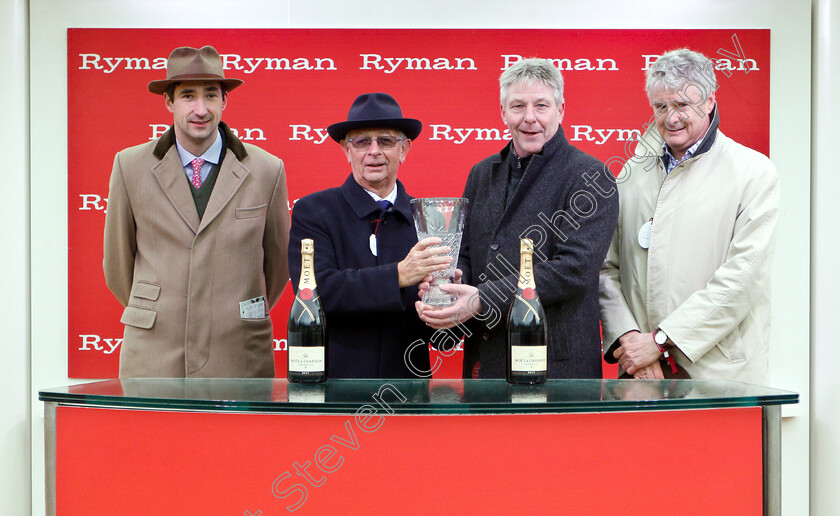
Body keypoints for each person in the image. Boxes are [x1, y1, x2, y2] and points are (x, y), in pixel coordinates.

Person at [416, 58, 619, 379]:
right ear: (503, 112)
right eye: (518, 106)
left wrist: (483, 299)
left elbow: (573, 270)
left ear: (561, 110)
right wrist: (451, 284)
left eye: (541, 105)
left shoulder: (590, 176)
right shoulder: (482, 173)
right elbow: (467, 253)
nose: (529, 118)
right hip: (487, 359)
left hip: (556, 365)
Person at [103, 45, 290, 377]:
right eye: (188, 96)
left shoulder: (267, 169)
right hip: (154, 353)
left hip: (238, 353)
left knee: (235, 432)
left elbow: (276, 266)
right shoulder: (129, 166)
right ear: (169, 102)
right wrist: (160, 308)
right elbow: (118, 266)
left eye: (211, 95)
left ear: (225, 100)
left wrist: (231, 312)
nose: (200, 109)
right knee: (153, 432)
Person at [599, 48, 779, 383]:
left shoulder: (753, 172)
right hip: (642, 373)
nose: (671, 118)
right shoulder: (631, 173)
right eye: (661, 106)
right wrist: (631, 341)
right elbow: (605, 268)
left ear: (710, 101)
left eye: (682, 105)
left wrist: (661, 341)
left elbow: (743, 279)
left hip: (719, 373)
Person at [287, 92, 450, 378]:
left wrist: (448, 302)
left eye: (385, 141)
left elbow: (445, 339)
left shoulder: (429, 219)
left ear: (404, 149)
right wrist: (398, 275)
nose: (374, 151)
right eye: (362, 142)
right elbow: (316, 293)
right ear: (346, 150)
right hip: (334, 388)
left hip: (407, 392)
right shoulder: (313, 211)